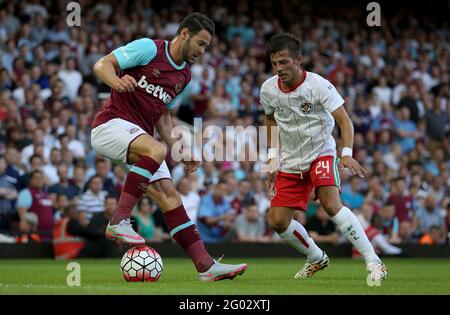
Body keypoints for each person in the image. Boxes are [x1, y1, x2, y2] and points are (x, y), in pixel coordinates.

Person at [90, 12, 246, 281]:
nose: (202, 51)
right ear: (184, 34)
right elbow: (102, 64)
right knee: (156, 150)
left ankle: (206, 267)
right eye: (200, 43)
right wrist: (116, 81)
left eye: (206, 46)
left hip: (138, 136)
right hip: (110, 125)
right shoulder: (150, 48)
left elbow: (163, 116)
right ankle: (118, 221)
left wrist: (178, 148)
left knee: (169, 196)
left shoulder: (183, 76)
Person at [261, 33, 387, 283]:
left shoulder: (319, 85)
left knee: (331, 204)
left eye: (284, 62)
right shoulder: (268, 89)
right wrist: (273, 157)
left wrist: (346, 154)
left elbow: (344, 121)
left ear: (298, 60)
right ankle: (316, 257)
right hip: (290, 159)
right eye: (275, 63)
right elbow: (269, 120)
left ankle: (374, 261)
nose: (279, 69)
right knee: (277, 222)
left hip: (321, 152)